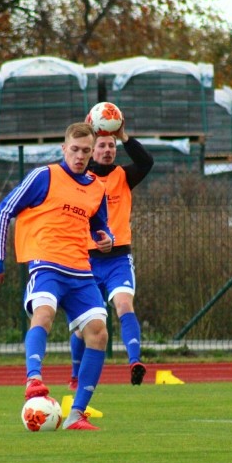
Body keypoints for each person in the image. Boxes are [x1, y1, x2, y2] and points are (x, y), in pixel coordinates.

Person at [0, 122, 113, 430]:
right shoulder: (45, 176)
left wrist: (105, 238)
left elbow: (101, 226)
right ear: (63, 149)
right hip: (47, 264)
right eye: (75, 150)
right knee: (44, 314)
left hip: (81, 270)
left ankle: (75, 415)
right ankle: (34, 380)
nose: (80, 156)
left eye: (86, 151)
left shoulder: (97, 187)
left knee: (99, 333)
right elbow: (4, 210)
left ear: (93, 152)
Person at [68, 122, 153, 389]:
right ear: (92, 150)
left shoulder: (123, 176)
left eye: (111, 146)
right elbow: (67, 161)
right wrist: (84, 131)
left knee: (124, 306)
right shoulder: (82, 179)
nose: (107, 150)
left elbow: (146, 161)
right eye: (101, 145)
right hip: (87, 260)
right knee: (84, 326)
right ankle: (74, 375)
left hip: (118, 259)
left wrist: (124, 135)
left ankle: (135, 361)